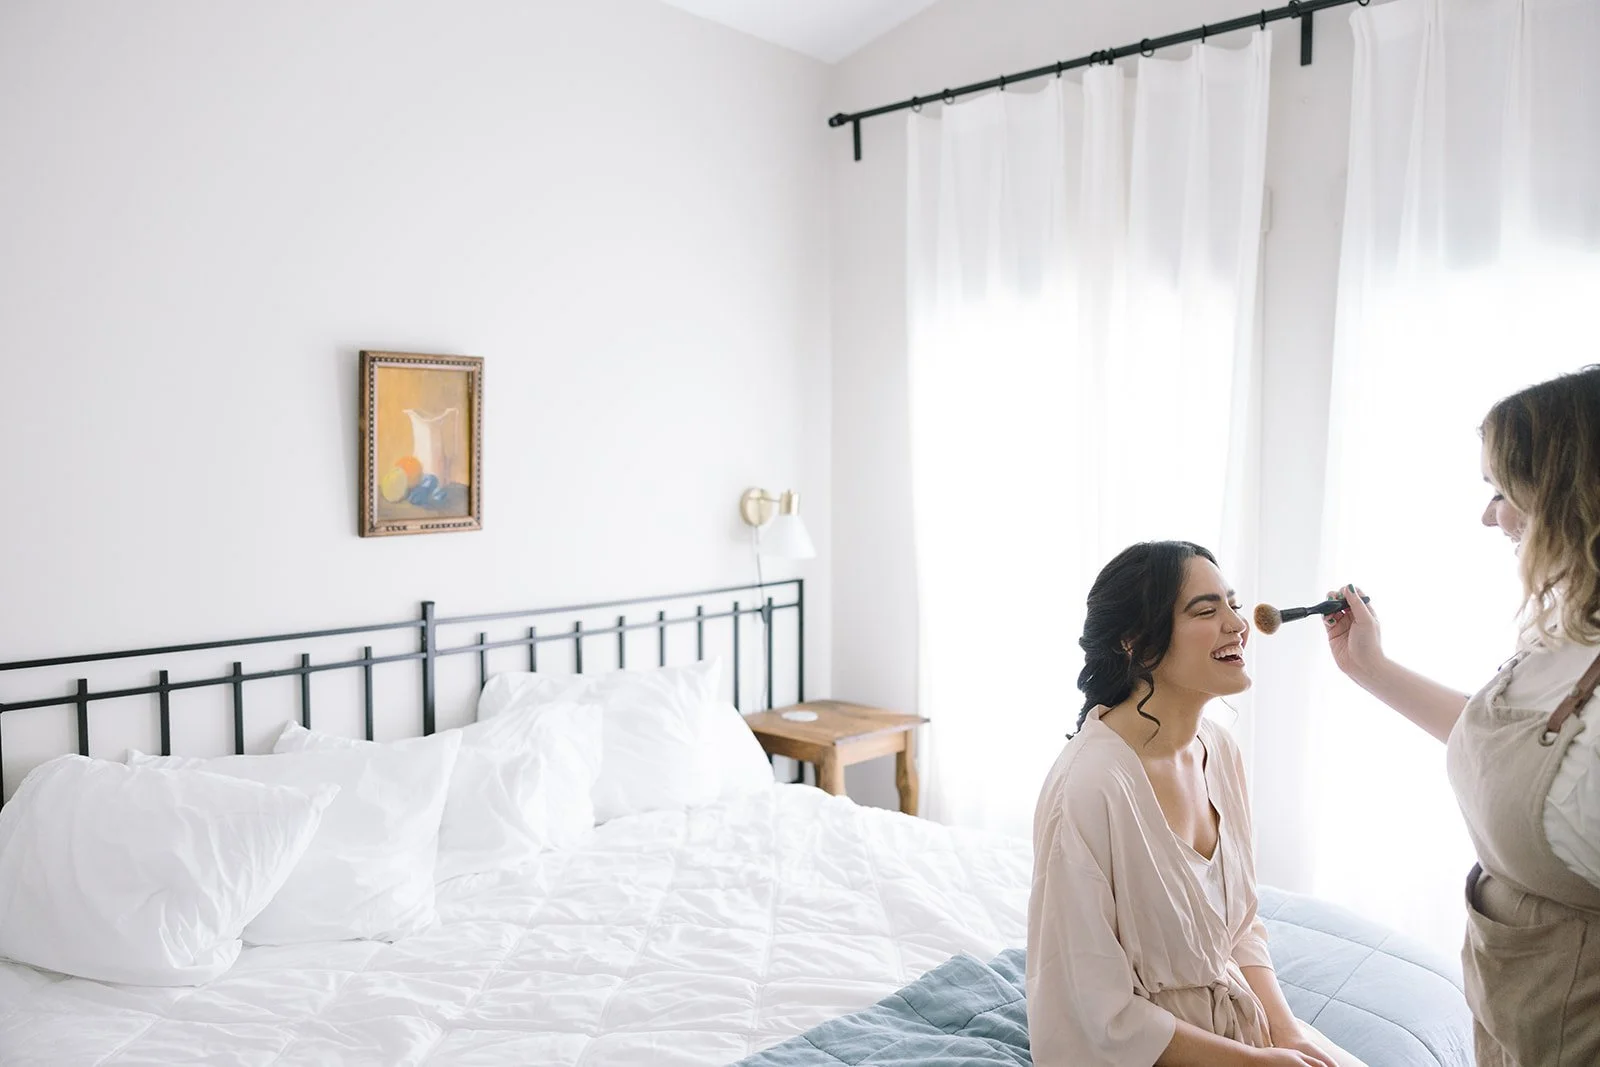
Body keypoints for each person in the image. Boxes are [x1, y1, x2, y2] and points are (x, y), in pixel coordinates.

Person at [1324, 366, 1600, 1066]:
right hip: (1512, 1013)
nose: (1490, 516)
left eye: (1502, 491)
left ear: (1569, 495)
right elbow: (1508, 751)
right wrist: (1370, 668)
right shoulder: (1563, 630)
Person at [1028, 541, 1363, 1067]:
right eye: (1207, 611)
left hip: (1237, 1033)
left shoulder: (1219, 749)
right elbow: (1090, 1011)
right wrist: (1254, 1063)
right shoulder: (1088, 787)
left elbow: (1241, 929)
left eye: (1232, 603)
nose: (1238, 624)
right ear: (1138, 644)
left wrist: (1287, 1033)